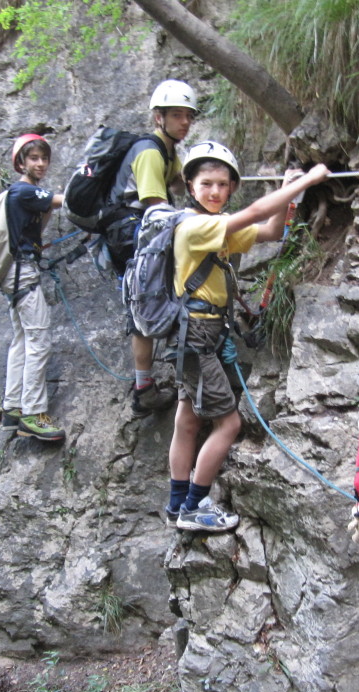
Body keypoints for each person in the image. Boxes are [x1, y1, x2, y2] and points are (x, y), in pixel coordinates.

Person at [164, 142, 329, 532]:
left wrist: (293, 191)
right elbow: (255, 211)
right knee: (229, 424)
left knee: (187, 420)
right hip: (197, 336)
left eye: (223, 184)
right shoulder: (194, 226)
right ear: (190, 186)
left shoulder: (215, 229)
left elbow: (270, 229)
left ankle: (176, 505)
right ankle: (194, 506)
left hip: (194, 337)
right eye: (207, 184)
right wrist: (308, 179)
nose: (215, 192)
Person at [106, 79, 198, 418]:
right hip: (130, 233)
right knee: (144, 304)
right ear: (158, 117)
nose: (184, 123)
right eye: (177, 116)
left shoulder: (167, 150)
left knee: (158, 295)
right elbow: (155, 205)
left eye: (189, 116)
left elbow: (177, 183)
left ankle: (164, 368)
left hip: (138, 230)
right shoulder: (148, 151)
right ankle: (144, 387)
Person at [0, 133, 66, 443]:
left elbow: (37, 227)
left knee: (22, 340)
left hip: (13, 273)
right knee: (39, 339)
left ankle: (12, 407)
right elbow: (66, 201)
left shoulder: (21, 194)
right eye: (33, 158)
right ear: (21, 163)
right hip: (22, 274)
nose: (40, 163)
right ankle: (33, 414)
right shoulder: (24, 191)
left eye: (43, 158)